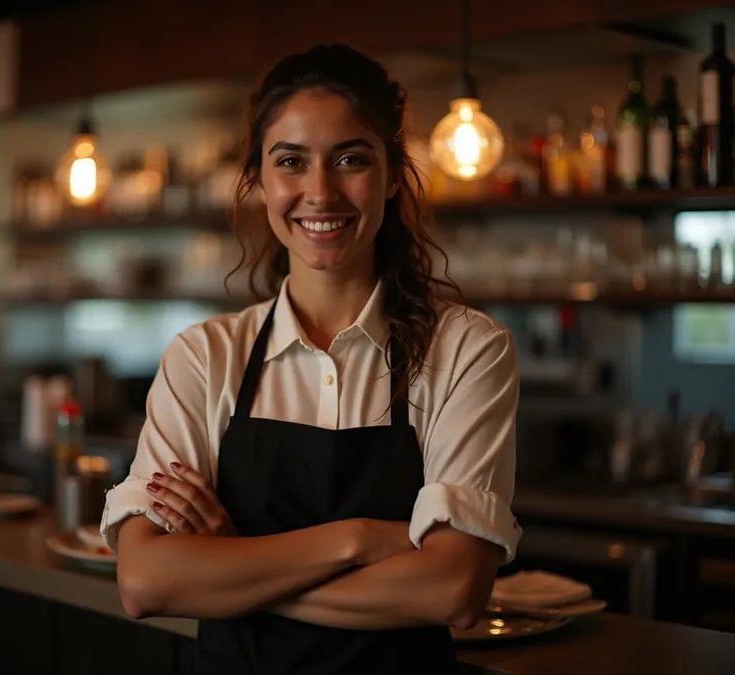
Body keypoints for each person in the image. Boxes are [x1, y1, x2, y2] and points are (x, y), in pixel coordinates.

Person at [101, 43, 521, 675]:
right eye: (291, 161)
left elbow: (452, 590)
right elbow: (145, 582)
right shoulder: (204, 358)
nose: (320, 192)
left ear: (392, 173)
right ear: (260, 180)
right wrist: (358, 540)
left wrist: (236, 565)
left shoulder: (465, 350)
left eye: (351, 159)